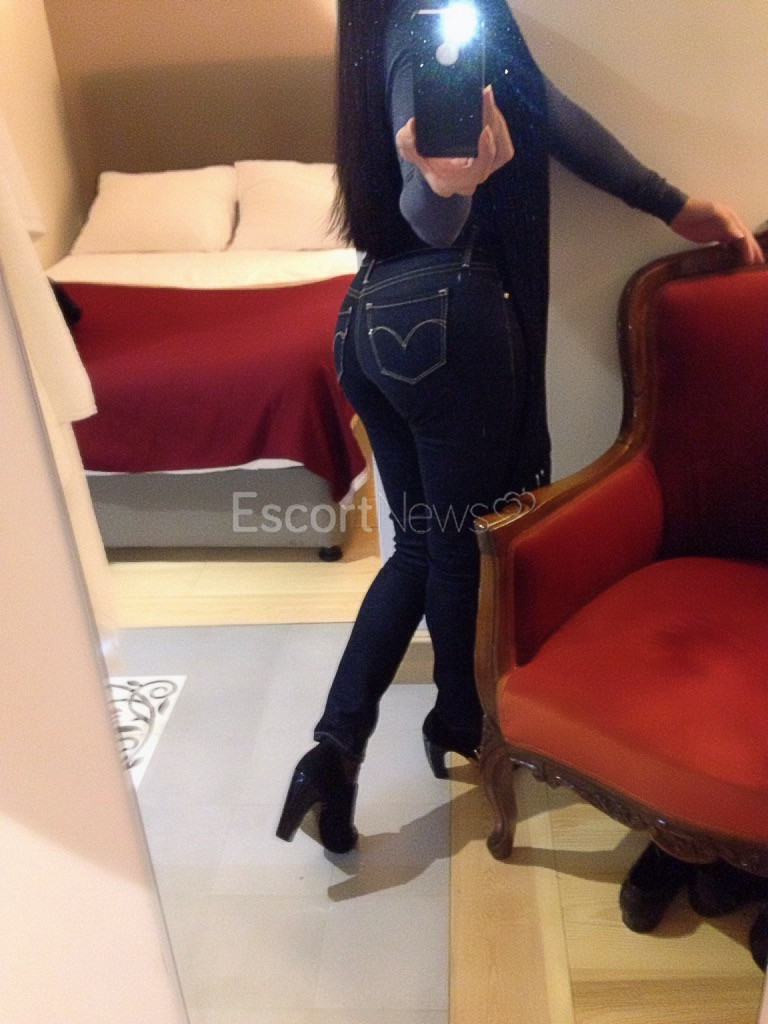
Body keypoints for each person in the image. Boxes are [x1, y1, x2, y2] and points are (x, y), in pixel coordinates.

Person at [277, 0, 764, 855]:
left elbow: (545, 111)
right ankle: (460, 721)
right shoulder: (432, 20)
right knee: (460, 550)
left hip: (366, 316)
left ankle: (333, 748)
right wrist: (446, 188)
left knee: (421, 548)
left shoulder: (377, 28)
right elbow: (431, 203)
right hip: (449, 313)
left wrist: (668, 203)